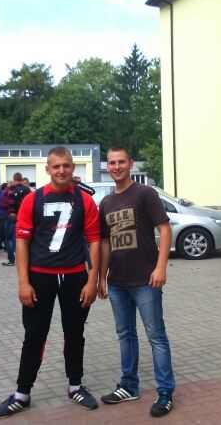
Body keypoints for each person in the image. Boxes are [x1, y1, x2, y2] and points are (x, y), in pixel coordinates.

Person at [0, 146, 101, 420]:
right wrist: (23, 282)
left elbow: (95, 241)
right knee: (34, 335)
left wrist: (92, 279)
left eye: (66, 165)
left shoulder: (85, 201)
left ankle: (75, 385)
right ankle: (22, 394)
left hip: (75, 276)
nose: (62, 170)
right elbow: (22, 242)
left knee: (74, 333)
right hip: (40, 276)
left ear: (73, 167)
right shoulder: (33, 199)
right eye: (56, 166)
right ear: (47, 169)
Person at [97, 146, 176, 418]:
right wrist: (102, 277)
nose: (116, 166)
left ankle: (165, 392)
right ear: (107, 166)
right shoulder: (106, 203)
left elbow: (164, 229)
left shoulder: (145, 193)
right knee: (125, 335)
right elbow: (105, 243)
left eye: (121, 161)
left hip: (145, 280)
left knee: (156, 336)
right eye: (112, 162)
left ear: (130, 164)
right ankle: (129, 385)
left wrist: (160, 267)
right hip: (117, 282)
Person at [1, 172, 31, 267]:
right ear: (21, 179)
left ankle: (11, 259)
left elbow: (10, 202)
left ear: (14, 179)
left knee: (10, 238)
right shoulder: (27, 190)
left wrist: (12, 212)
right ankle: (24, 259)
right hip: (25, 216)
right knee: (23, 238)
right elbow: (31, 203)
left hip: (13, 216)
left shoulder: (11, 189)